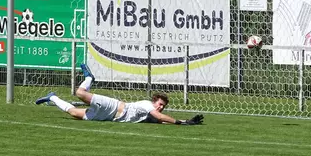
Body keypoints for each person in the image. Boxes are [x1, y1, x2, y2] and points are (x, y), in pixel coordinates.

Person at [35, 64, 204, 125]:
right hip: (112, 106)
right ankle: (89, 78)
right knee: (79, 93)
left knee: (73, 112)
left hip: (108, 118)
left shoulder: (152, 115)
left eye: (163, 106)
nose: (160, 107)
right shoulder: (147, 105)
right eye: (160, 104)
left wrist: (186, 121)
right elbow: (160, 117)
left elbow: (162, 121)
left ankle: (52, 97)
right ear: (154, 101)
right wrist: (177, 122)